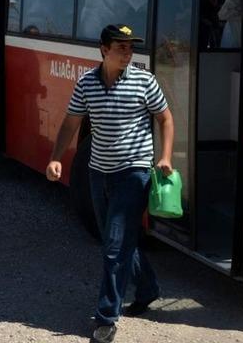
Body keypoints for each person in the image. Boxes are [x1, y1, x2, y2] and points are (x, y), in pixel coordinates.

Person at [45, 24, 174, 343]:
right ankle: (148, 288)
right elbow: (71, 122)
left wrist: (165, 156)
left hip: (134, 173)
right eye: (121, 47)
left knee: (115, 244)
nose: (127, 53)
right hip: (98, 172)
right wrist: (56, 157)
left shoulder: (145, 81)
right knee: (116, 239)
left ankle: (105, 317)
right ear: (103, 49)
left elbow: (165, 118)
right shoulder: (86, 83)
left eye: (130, 48)